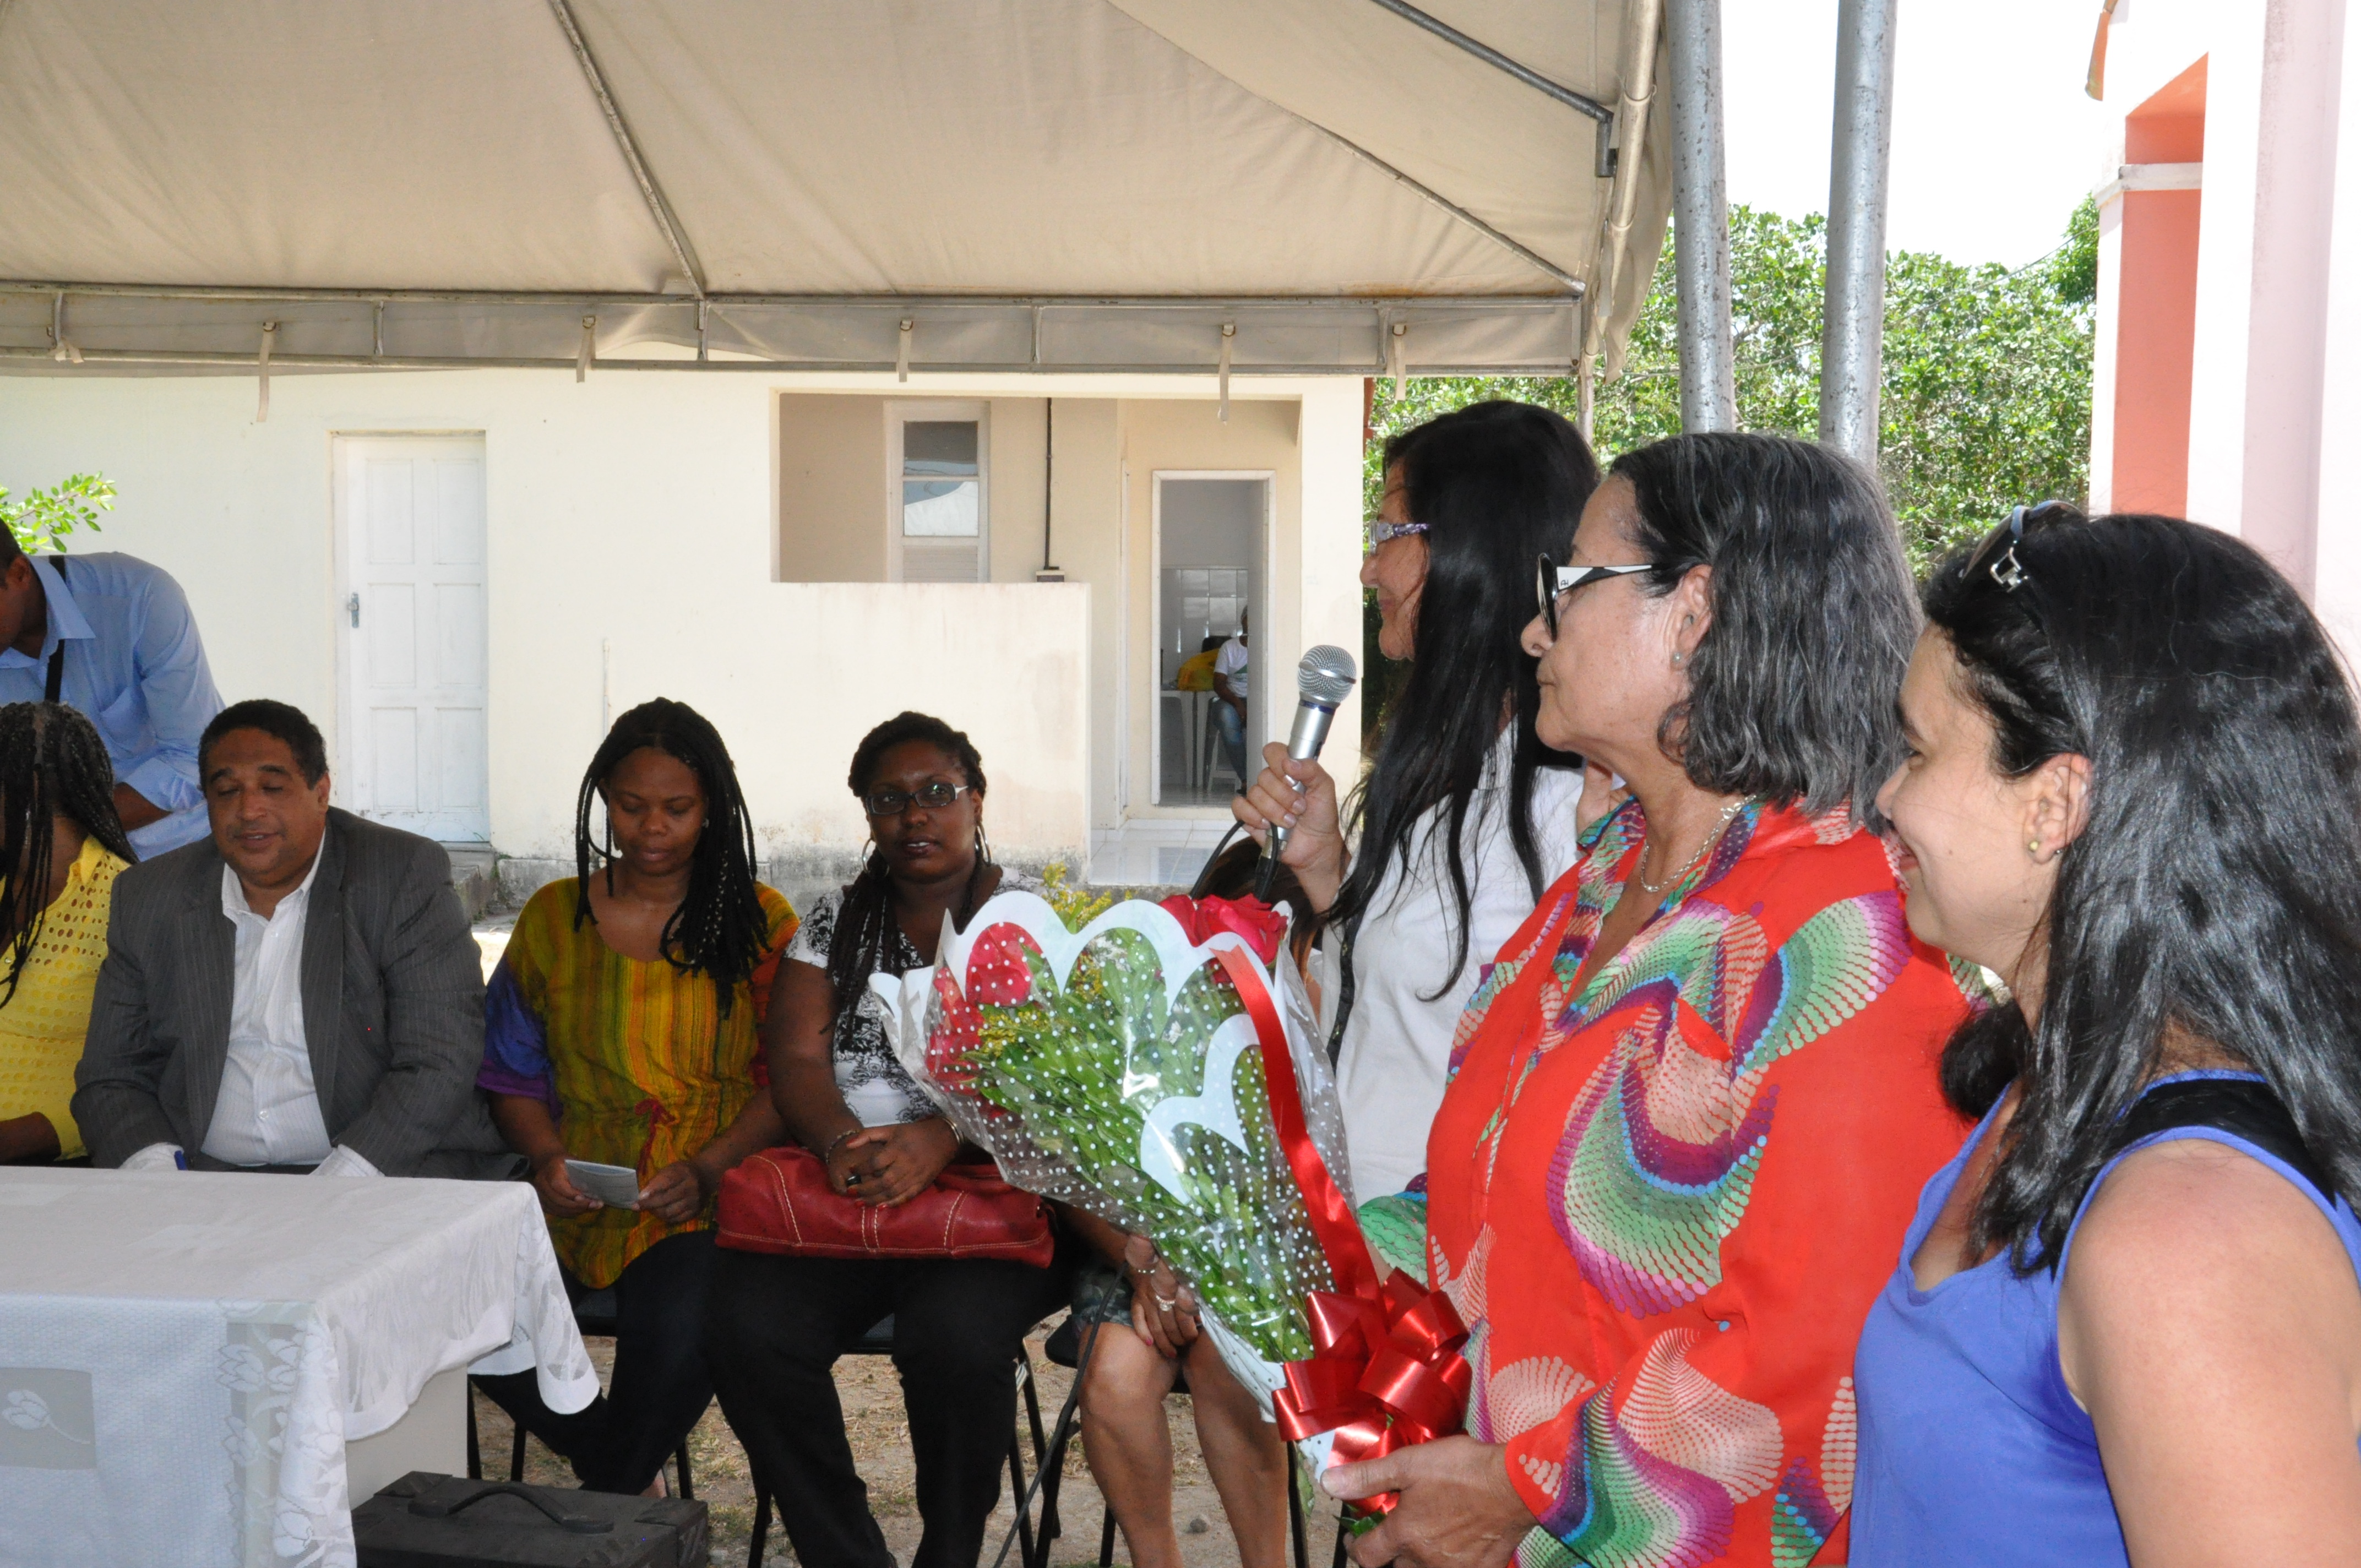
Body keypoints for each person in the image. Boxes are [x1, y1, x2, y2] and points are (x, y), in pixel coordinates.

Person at [1319, 434, 1976, 1568]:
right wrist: (1286, 1256)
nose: (1535, 630)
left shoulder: (1847, 935)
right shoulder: (1606, 880)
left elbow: (1812, 1354)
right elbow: (1475, 1201)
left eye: (1570, 585)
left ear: (1693, 614)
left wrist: (1525, 1491)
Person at [1849, 508, 2361, 1565]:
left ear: (2055, 802)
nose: (1885, 797)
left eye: (1916, 751)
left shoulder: (2185, 1234)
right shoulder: (2059, 1081)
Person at [704, 711, 1069, 1568]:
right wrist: (839, 1143)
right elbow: (797, 1059)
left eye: (937, 792)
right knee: (747, 1328)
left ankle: (949, 1551)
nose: (915, 815)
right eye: (889, 799)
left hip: (994, 1202)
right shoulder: (835, 919)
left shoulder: (1028, 919)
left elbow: (1055, 1078)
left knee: (954, 1341)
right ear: (867, 815)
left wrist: (943, 1137)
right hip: (853, 1197)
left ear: (977, 800)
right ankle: (844, 1553)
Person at [1233, 399, 1602, 1201]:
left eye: (1388, 533)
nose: (1369, 570)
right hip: (1354, 1230)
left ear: (1474, 545)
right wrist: (1328, 870)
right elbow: (1391, 1003)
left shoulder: (1575, 810)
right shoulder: (1449, 770)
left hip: (1438, 1249)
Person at [472, 699, 798, 1496]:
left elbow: (788, 1080)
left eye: (677, 808)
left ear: (712, 807)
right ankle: (618, 1476)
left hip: (712, 1190)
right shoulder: (554, 917)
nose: (653, 828)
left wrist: (709, 1168)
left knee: (686, 1322)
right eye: (630, 806)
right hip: (574, 1182)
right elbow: (511, 1074)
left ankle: (611, 1496)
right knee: (463, 1310)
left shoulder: (761, 922)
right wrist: (546, 1157)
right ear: (603, 801)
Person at [72, 698, 511, 1176]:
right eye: (227, 791)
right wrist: (156, 1172)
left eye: (273, 787)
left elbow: (440, 1057)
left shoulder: (399, 875)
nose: (249, 810)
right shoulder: (150, 896)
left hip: (379, 1170)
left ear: (321, 792)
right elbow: (112, 1073)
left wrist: (342, 1182)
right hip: (202, 1177)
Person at [1060, 834, 1320, 1568]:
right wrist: (1143, 1261)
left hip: (1263, 1264)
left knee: (1231, 1367)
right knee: (1113, 1376)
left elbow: (1320, 1193)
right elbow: (1071, 1172)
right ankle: (1157, 1560)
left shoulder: (1326, 1014)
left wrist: (1219, 1267)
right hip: (1134, 1251)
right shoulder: (1134, 1013)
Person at [0, 533, 224, 856]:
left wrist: (59, 833)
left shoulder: (139, 596)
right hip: (58, 869)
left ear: (19, 573)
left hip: (188, 851)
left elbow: (195, 757)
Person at [0, 703, 138, 1163]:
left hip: (60, 1166)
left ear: (28, 790)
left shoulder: (125, 900)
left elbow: (147, 1073)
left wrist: (16, 1139)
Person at [1212, 607, 1250, 789]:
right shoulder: (1230, 647)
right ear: (1242, 621)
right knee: (1227, 719)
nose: (1253, 622)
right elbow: (1219, 684)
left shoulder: (1267, 646)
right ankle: (1246, 779)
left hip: (1260, 701)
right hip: (1232, 700)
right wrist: (1238, 705)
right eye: (1249, 618)